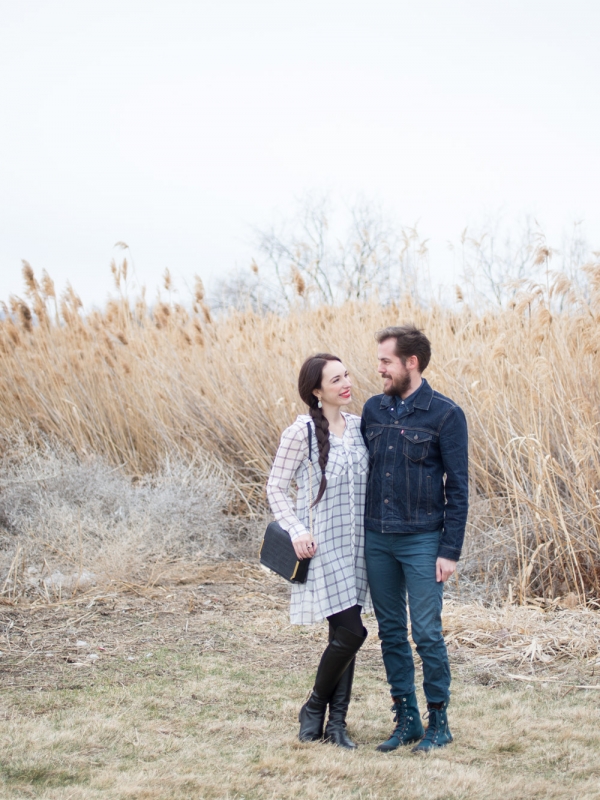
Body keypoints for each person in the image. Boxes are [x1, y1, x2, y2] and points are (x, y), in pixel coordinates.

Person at [361, 325, 468, 753]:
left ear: (411, 363)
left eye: (386, 361)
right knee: (390, 631)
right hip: (377, 538)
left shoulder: (445, 414)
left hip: (423, 541)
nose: (379, 368)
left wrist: (449, 551)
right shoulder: (372, 409)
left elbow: (459, 487)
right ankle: (406, 719)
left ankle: (438, 721)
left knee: (426, 632)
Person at [267, 353, 370, 749]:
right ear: (316, 390)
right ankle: (314, 707)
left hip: (359, 548)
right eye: (336, 379)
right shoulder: (301, 432)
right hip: (323, 547)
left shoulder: (361, 426)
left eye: (347, 374)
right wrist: (295, 530)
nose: (346, 383)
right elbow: (275, 486)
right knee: (352, 631)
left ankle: (336, 725)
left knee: (344, 634)